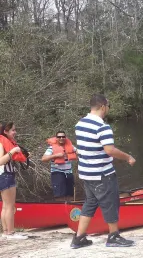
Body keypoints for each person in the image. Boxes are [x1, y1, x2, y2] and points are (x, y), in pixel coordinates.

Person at [70, 94, 136, 249]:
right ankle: (113, 236)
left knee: (90, 203)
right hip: (101, 173)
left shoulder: (80, 123)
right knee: (110, 202)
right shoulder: (102, 126)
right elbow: (110, 150)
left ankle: (79, 238)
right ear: (102, 106)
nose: (109, 109)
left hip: (86, 172)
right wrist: (128, 157)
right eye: (108, 105)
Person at [0, 122, 28, 240]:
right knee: (10, 206)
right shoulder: (1, 143)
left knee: (6, 206)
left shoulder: (6, 143)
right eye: (13, 130)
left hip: (5, 175)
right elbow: (0, 161)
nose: (15, 132)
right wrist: (13, 151)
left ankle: (6, 232)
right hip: (5, 175)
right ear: (5, 132)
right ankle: (11, 232)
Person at [41, 131, 77, 201]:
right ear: (56, 138)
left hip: (69, 173)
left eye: (63, 137)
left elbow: (78, 152)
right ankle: (60, 210)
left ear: (65, 138)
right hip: (57, 172)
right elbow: (43, 159)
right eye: (59, 137)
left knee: (70, 195)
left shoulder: (71, 146)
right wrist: (56, 155)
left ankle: (68, 210)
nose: (61, 138)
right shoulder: (51, 148)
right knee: (59, 196)